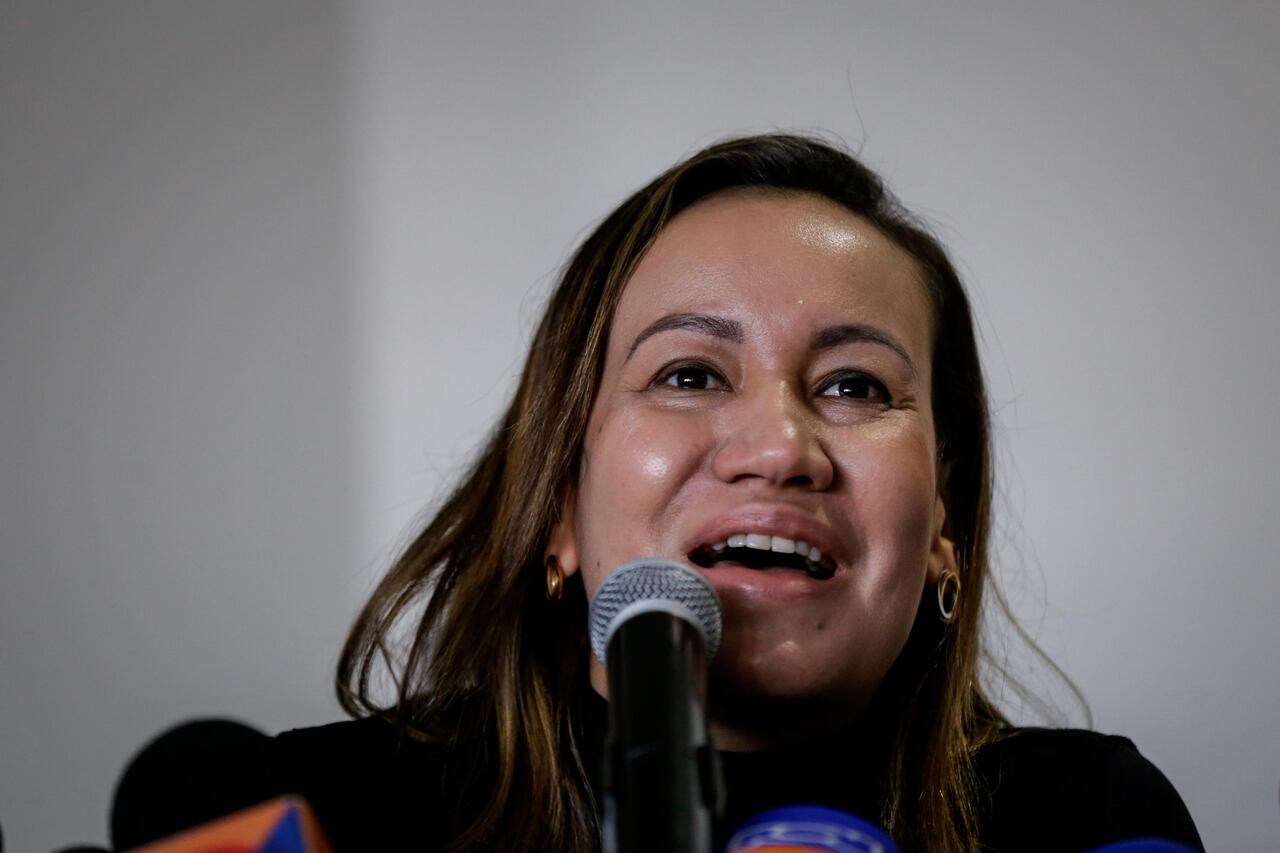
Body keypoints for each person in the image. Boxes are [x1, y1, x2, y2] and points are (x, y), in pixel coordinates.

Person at [117, 134, 1203, 852]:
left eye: (854, 385)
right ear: (556, 505)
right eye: (688, 374)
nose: (779, 448)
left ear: (943, 532)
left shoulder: (1087, 821)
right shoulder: (319, 817)